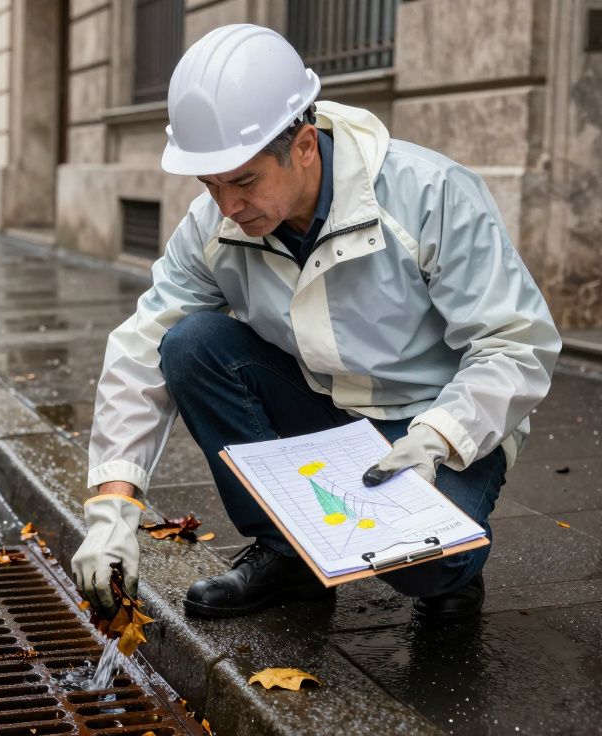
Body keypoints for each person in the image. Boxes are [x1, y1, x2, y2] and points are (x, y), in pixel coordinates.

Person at [72, 25, 561, 625]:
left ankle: (454, 567)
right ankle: (288, 556)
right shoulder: (213, 224)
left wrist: (441, 435)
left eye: (244, 180)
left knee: (423, 567)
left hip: (433, 423)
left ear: (305, 144)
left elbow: (515, 342)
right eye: (210, 184)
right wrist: (112, 506)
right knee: (191, 344)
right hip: (325, 405)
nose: (226, 206)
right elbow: (143, 345)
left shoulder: (429, 194)